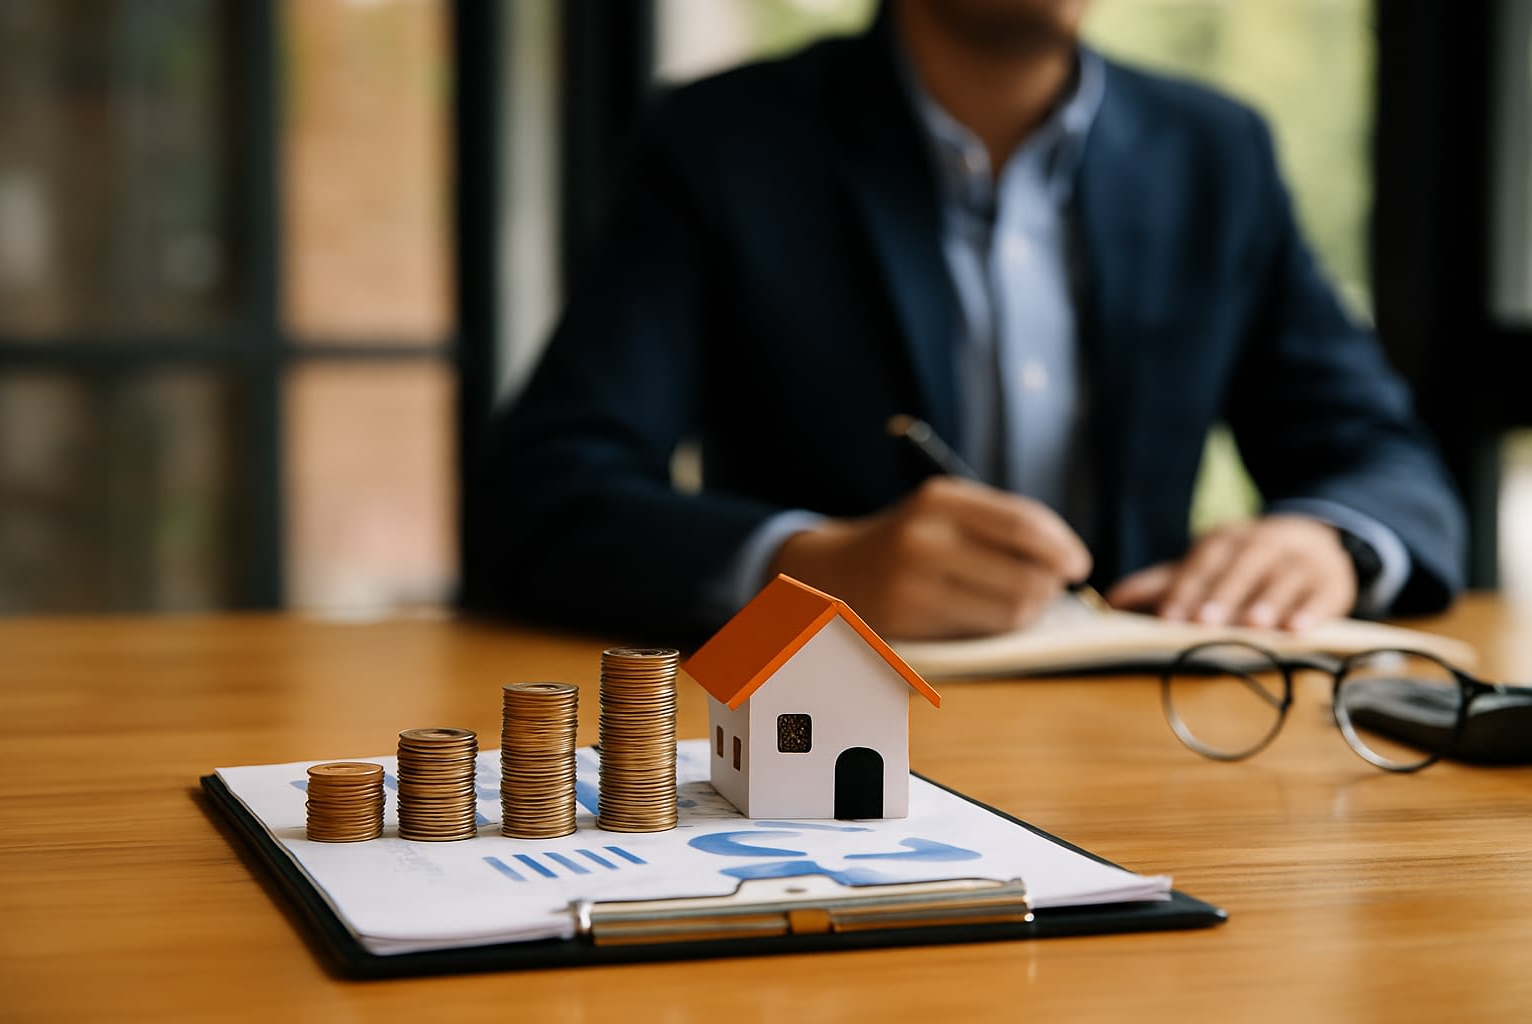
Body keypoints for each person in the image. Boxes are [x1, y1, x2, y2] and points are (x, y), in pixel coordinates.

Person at [471, 0, 1466, 644]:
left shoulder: (1215, 152)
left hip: (1150, 753)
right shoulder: (723, 142)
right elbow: (545, 494)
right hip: (822, 764)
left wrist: (1328, 541)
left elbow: (1384, 457)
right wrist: (810, 571)